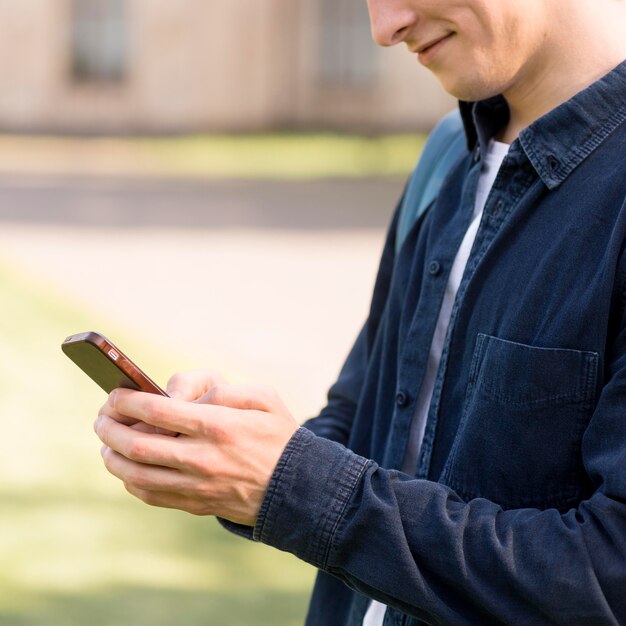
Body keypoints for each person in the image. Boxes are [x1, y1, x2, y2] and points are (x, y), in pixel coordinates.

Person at [94, 0, 626, 623]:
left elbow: (604, 577)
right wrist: (227, 451)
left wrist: (294, 485)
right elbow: (365, 423)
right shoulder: (447, 159)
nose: (384, 29)